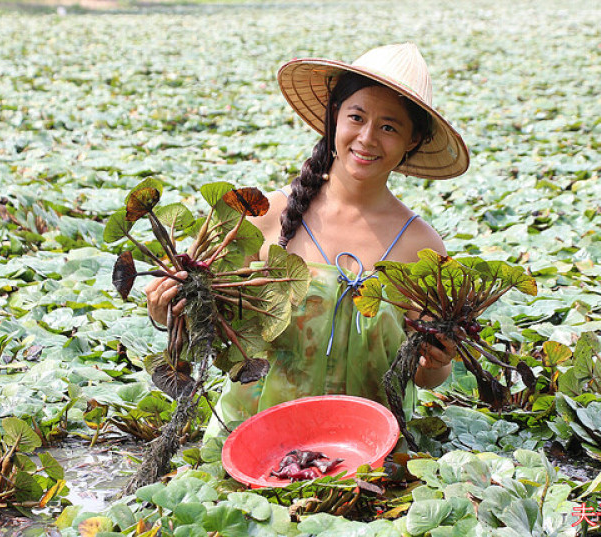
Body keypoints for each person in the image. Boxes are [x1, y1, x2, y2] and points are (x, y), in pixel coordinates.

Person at [144, 43, 470, 437]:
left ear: (412, 141)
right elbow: (211, 329)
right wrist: (168, 312)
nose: (367, 138)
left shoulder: (422, 247)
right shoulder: (262, 217)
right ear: (335, 117)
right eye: (357, 117)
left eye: (389, 127)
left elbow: (426, 377)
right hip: (249, 438)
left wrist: (438, 362)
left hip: (365, 451)